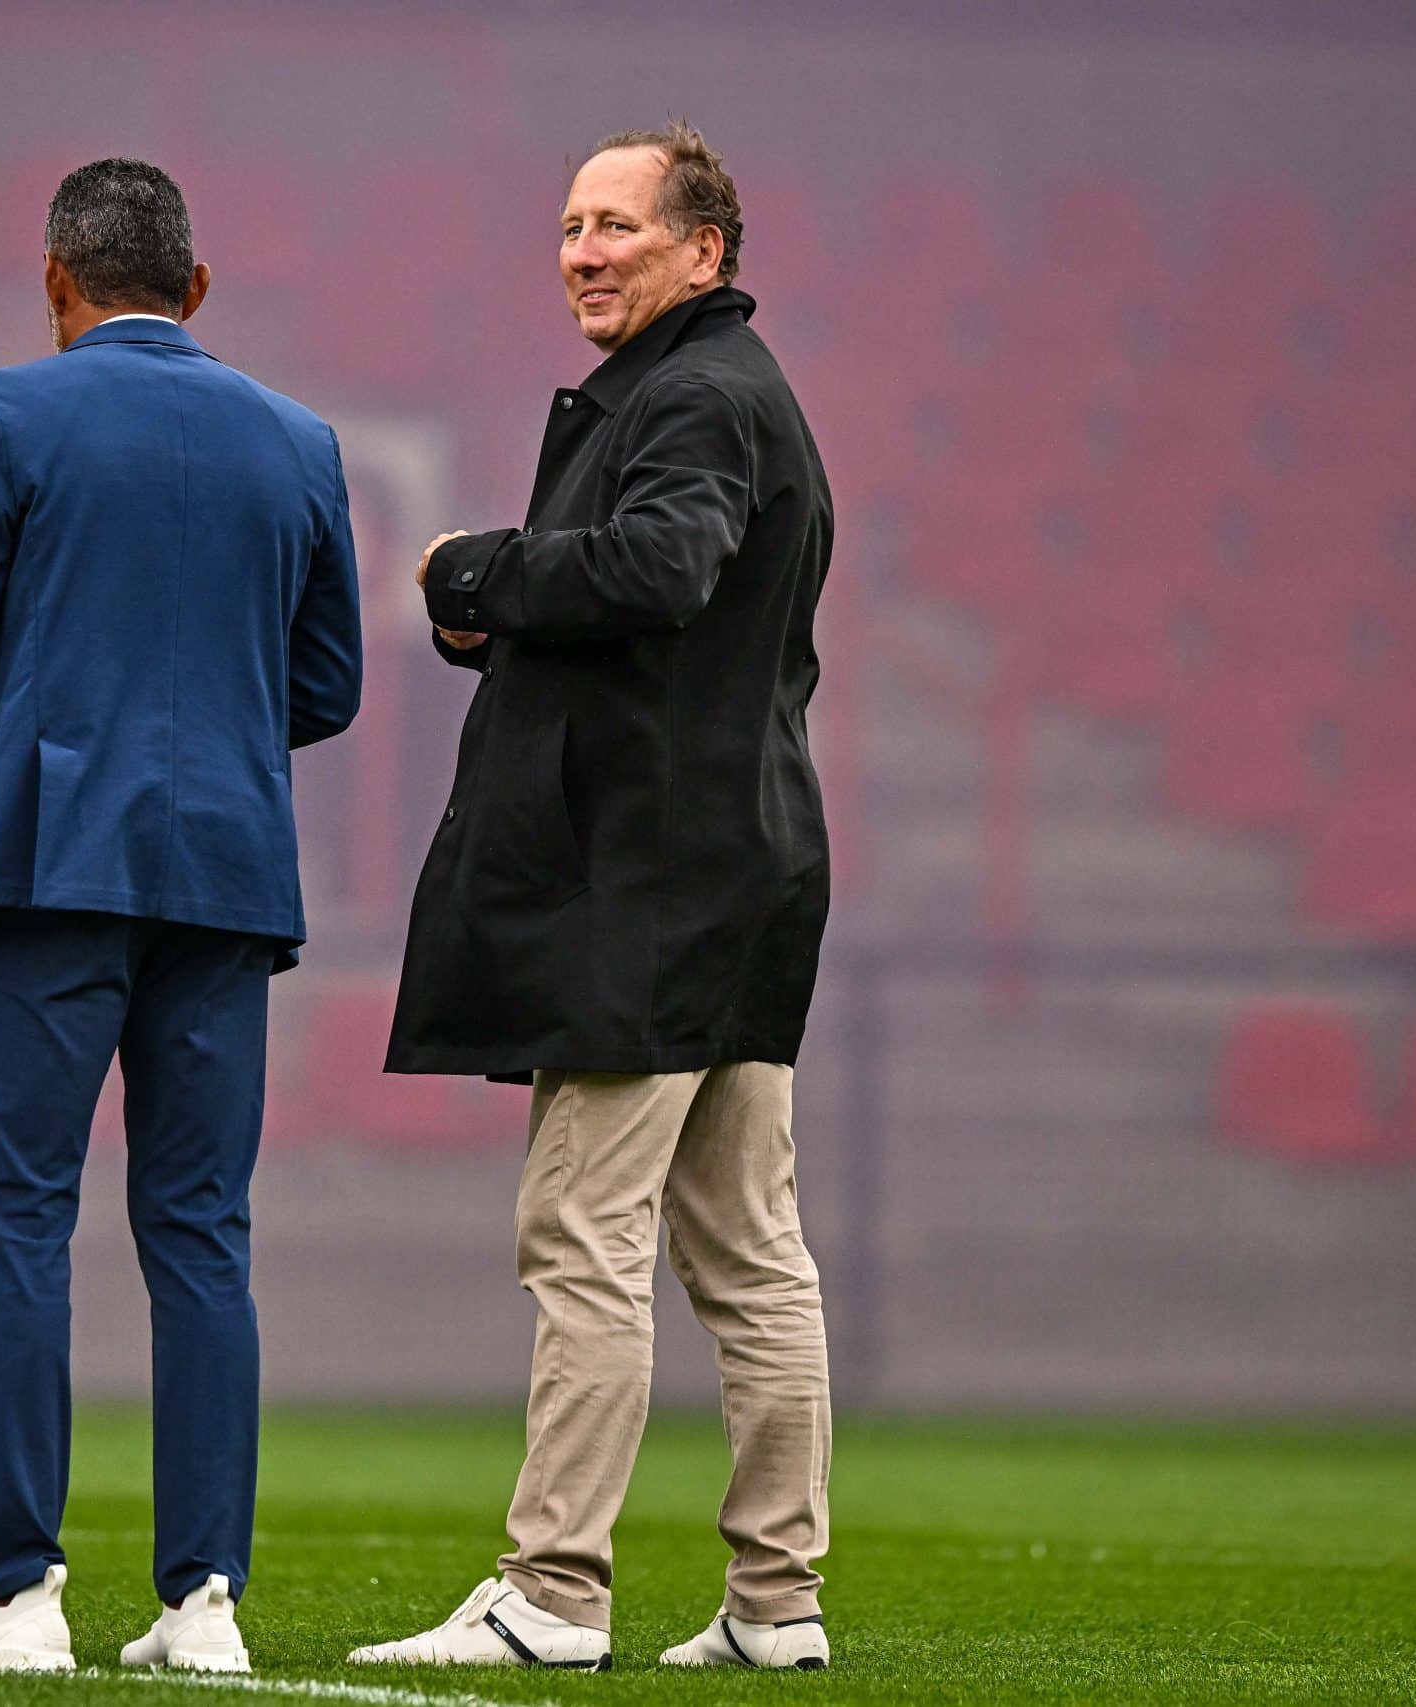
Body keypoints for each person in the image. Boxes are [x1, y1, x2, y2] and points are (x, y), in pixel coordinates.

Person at [353, 123, 837, 1673]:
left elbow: (659, 569)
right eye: (569, 223)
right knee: (751, 1250)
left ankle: (553, 1587)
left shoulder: (694, 393)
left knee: (584, 1232)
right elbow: (660, 614)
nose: (582, 249)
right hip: (738, 872)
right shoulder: (730, 392)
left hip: (652, 889)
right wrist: (513, 621)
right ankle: (777, 1600)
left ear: (708, 251)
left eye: (617, 223)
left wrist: (473, 575)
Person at [0, 159, 361, 1675]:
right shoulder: (301, 441)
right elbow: (330, 685)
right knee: (202, 1232)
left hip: (42, 861)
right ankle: (203, 1601)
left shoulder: (4, 414)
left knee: (20, 1219)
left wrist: (17, 726)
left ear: (55, 279)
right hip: (226, 877)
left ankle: (20, 1593)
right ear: (197, 287)